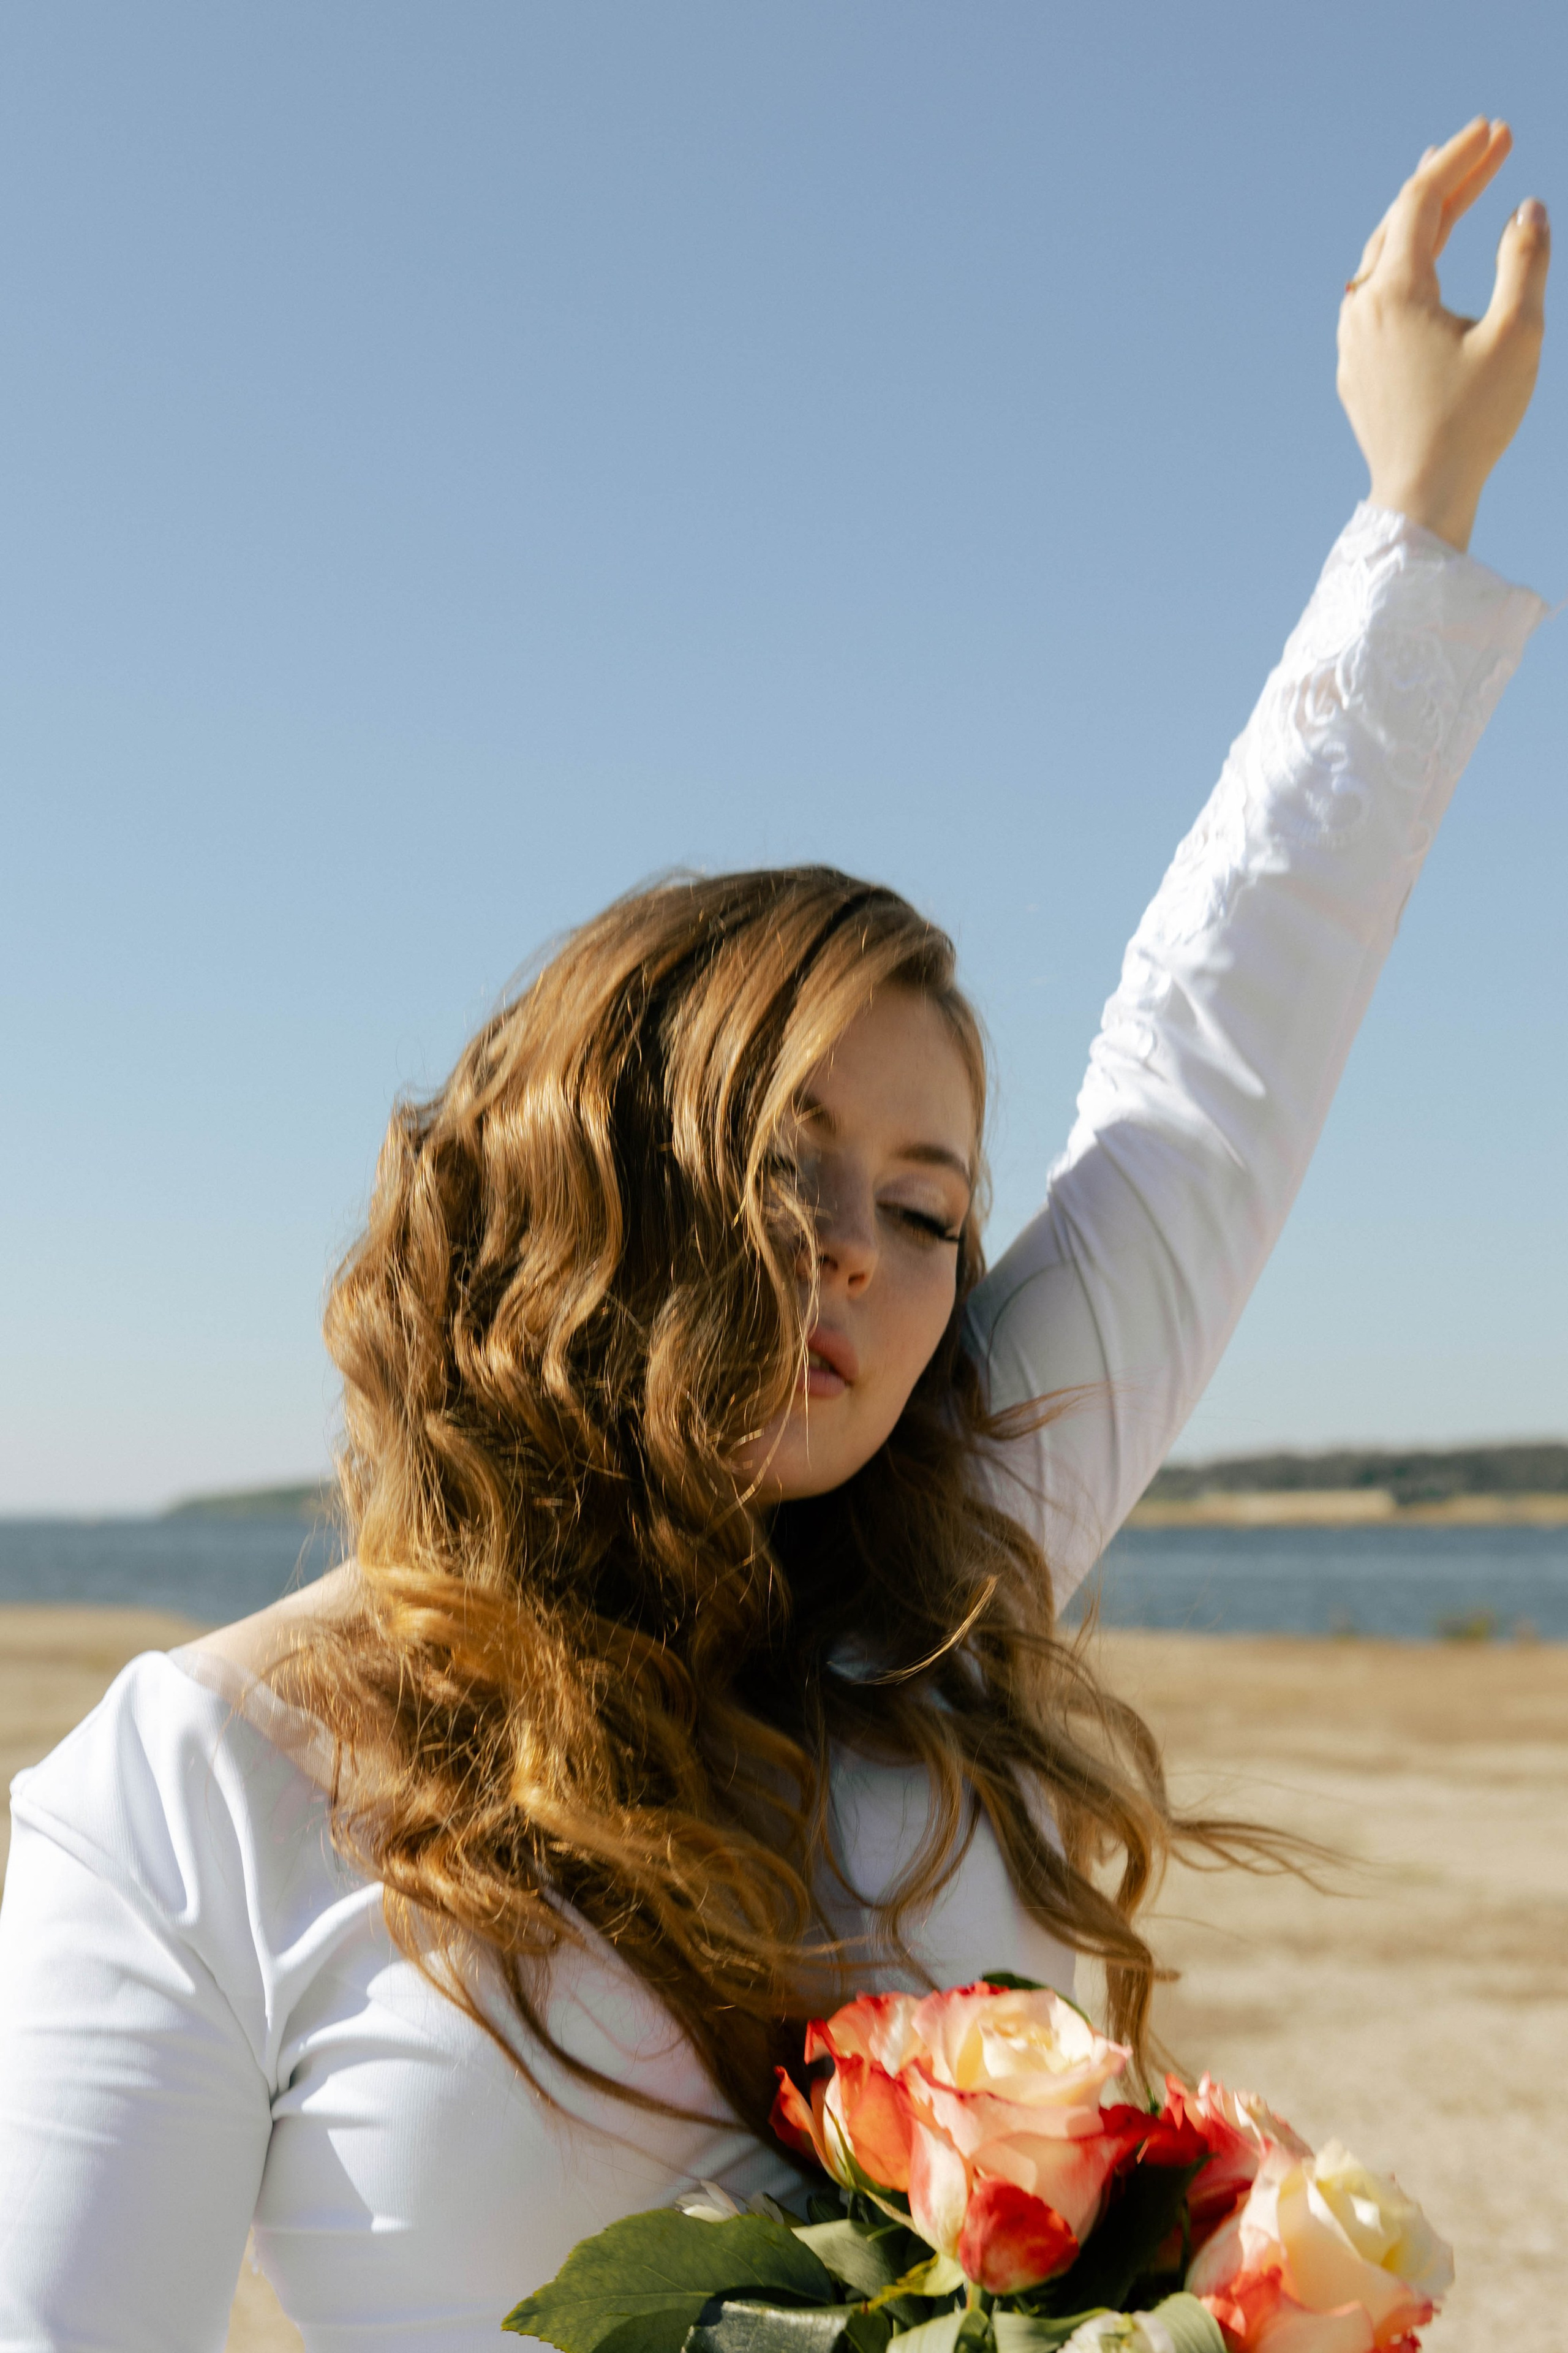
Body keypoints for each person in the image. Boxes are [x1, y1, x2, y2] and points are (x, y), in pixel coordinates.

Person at [0, 121, 1550, 2349]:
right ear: (578, 1178)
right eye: (782, 1164)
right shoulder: (203, 1785)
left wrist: (1414, 515)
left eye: (925, 1210)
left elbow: (1213, 1084)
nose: (856, 1256)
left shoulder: (942, 1597)